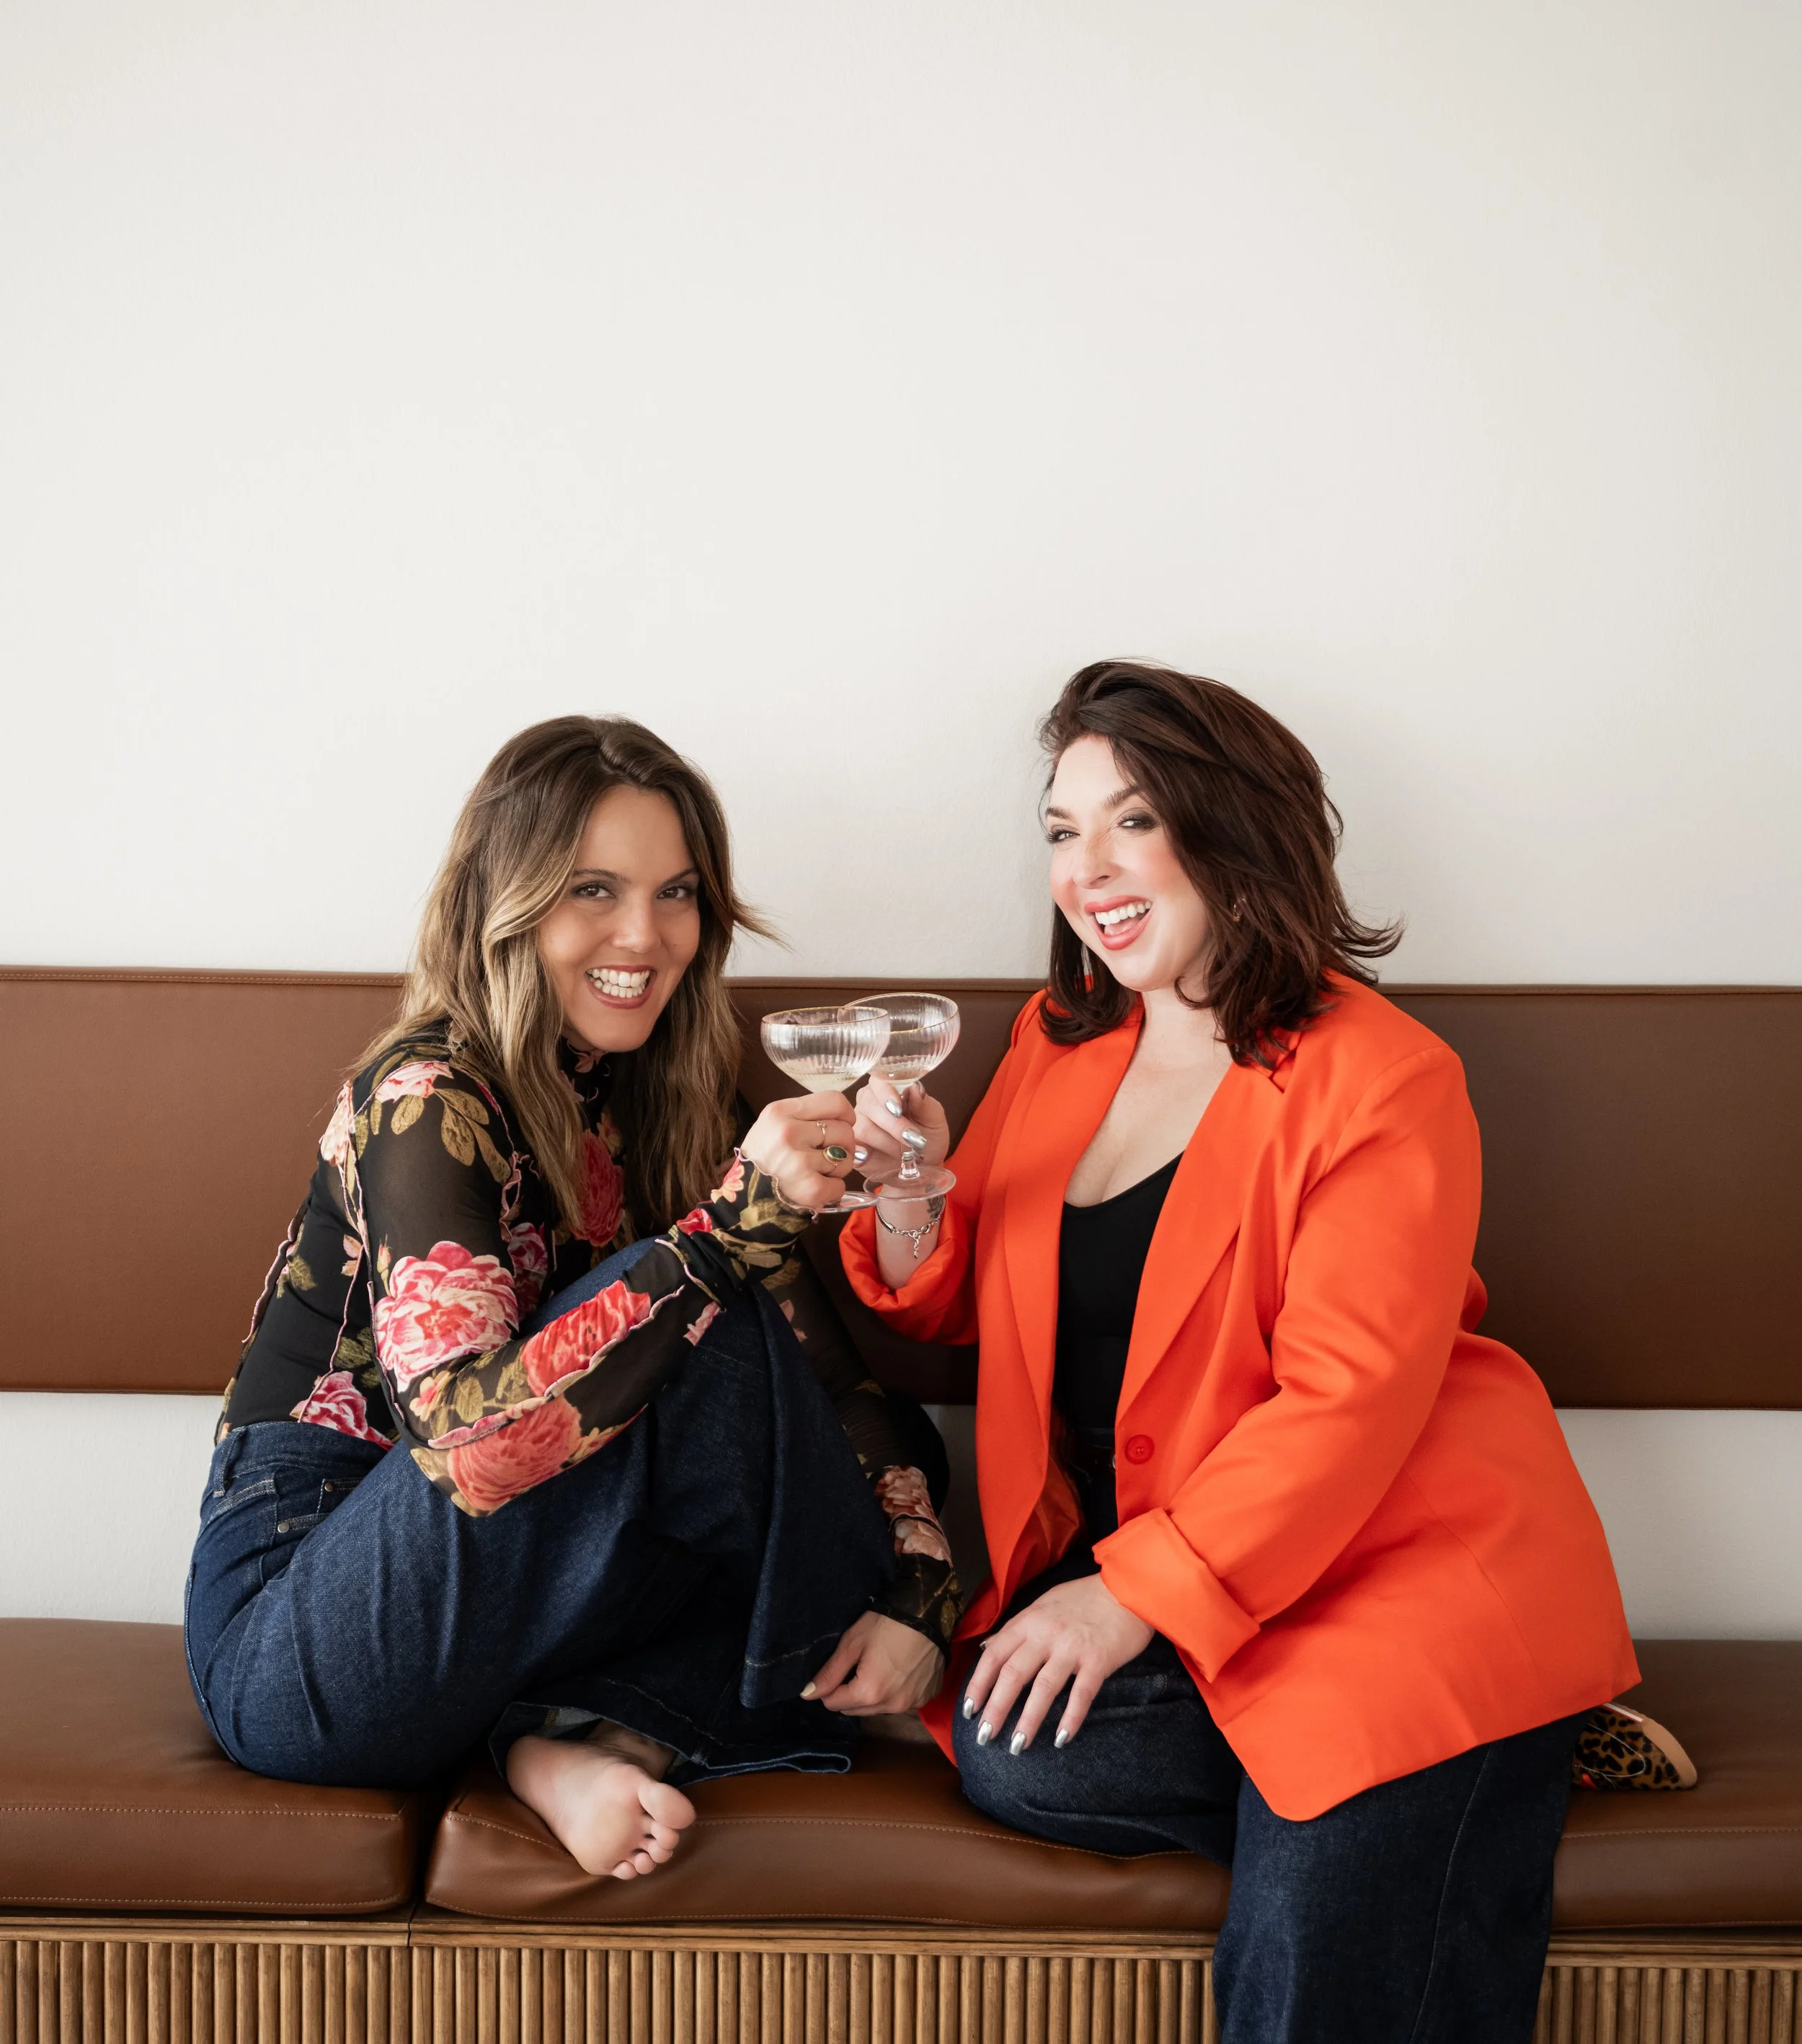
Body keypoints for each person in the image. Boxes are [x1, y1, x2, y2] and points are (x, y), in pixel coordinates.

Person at [840, 661, 1648, 2044]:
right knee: (1009, 1744)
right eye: (1059, 829)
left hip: (1396, 1572)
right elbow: (955, 1310)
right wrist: (909, 1190)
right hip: (1206, 1593)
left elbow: (1347, 1405)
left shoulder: (1384, 1077)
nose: (1088, 869)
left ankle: (1481, 1721)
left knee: (1324, 1871)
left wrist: (1125, 1602)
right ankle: (1507, 1748)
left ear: (1234, 827)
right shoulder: (1059, 1040)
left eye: (1132, 820)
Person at [186, 715, 958, 1884]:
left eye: (678, 893)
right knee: (707, 1311)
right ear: (510, 901)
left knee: (796, 1480)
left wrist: (920, 1586)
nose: (644, 937)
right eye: (593, 889)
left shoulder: (676, 1102)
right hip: (314, 1620)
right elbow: (471, 1449)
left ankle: (560, 1743)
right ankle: (580, 1725)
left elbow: (837, 1392)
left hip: (541, 1594)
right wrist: (724, 1233)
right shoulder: (425, 1096)